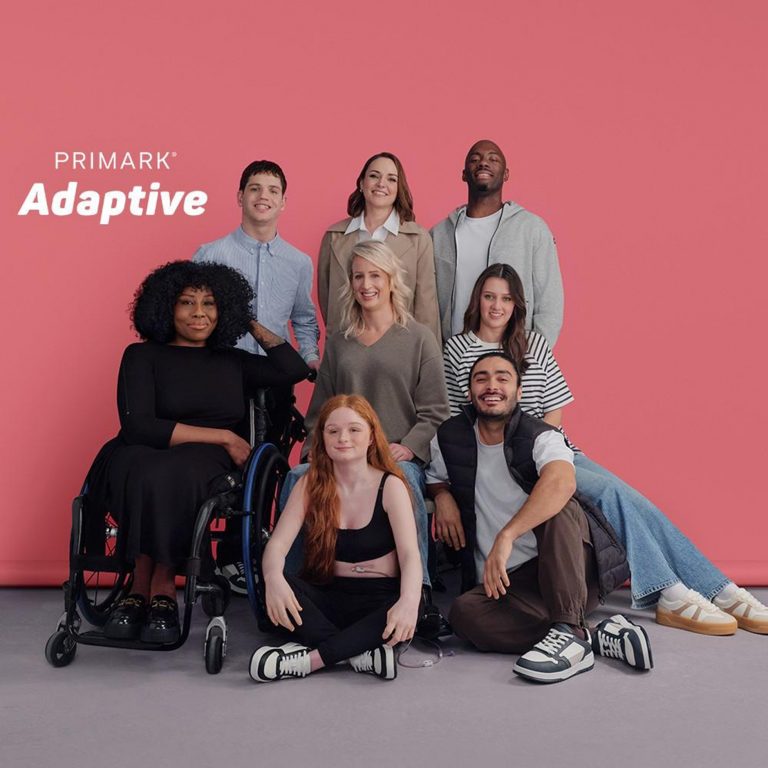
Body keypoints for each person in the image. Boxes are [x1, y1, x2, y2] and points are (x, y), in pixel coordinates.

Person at [443, 263, 768, 635]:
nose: (497, 306)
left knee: (629, 497)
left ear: (517, 304)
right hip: (504, 458)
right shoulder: (458, 349)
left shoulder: (533, 343)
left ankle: (719, 589)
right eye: (489, 297)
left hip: (551, 450)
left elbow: (553, 410)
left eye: (505, 298)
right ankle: (675, 592)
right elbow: (457, 416)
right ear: (477, 301)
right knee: (611, 494)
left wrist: (542, 451)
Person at [89, 261, 309, 644]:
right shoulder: (141, 356)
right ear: (166, 308)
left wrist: (244, 319)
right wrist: (223, 437)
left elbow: (293, 368)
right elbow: (139, 426)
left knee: (174, 474)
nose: (199, 313)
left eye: (210, 303)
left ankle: (155, 587)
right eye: (187, 302)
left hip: (201, 462)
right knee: (146, 469)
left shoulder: (232, 361)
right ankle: (143, 586)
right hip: (144, 447)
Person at [426, 352, 653, 683]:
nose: (492, 386)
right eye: (481, 378)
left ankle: (569, 630)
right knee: (464, 614)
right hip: (508, 583)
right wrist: (442, 496)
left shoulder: (541, 435)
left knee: (559, 508)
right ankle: (588, 636)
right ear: (469, 391)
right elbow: (435, 477)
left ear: (519, 392)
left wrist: (507, 536)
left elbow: (562, 481)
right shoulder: (449, 437)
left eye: (503, 378)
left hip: (568, 568)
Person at [293, 240, 449, 594]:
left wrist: (409, 447)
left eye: (375, 275)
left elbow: (436, 412)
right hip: (343, 454)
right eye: (358, 276)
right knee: (297, 479)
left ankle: (419, 593)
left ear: (391, 279)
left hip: (394, 455)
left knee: (405, 482)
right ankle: (294, 587)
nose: (366, 284)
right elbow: (320, 411)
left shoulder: (419, 339)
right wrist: (312, 451)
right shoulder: (339, 342)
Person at [193, 160, 320, 590]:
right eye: (254, 188)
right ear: (240, 196)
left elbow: (304, 319)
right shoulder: (211, 254)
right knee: (221, 464)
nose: (263, 196)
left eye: (272, 190)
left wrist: (310, 357)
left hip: (274, 378)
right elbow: (191, 316)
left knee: (267, 468)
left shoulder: (298, 262)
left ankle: (254, 554)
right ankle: (216, 561)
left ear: (283, 202)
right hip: (221, 377)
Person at [249, 395, 422, 682]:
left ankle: (311, 661)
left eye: (354, 429)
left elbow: (410, 555)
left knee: (411, 602)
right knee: (276, 587)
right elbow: (277, 545)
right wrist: (273, 578)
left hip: (378, 597)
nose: (343, 438)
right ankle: (360, 653)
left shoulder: (390, 485)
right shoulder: (309, 483)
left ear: (371, 437)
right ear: (323, 438)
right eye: (333, 431)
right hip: (328, 594)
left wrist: (409, 601)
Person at [431, 139, 563, 346]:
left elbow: (550, 300)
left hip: (513, 353)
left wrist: (532, 355)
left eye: (493, 159)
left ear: (506, 174)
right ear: (464, 174)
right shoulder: (439, 234)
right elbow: (427, 303)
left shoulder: (531, 228)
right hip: (455, 355)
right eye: (475, 159)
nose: (483, 163)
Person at [318, 151, 441, 341]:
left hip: (400, 346)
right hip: (347, 344)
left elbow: (426, 307)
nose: (381, 184)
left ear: (399, 188)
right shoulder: (334, 237)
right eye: (374, 176)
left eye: (391, 179)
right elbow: (327, 299)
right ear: (362, 183)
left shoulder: (418, 239)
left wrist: (426, 353)